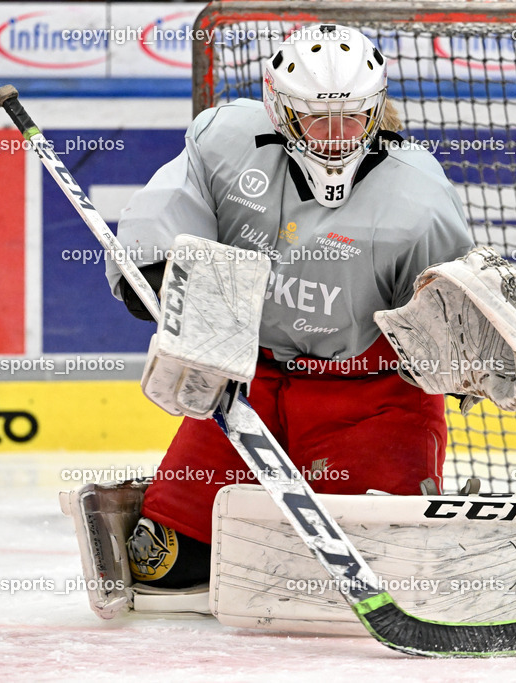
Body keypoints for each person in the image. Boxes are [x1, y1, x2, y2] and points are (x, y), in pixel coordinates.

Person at [105, 24, 475, 589]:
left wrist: (465, 354)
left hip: (370, 397)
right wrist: (151, 269)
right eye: (316, 118)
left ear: (377, 110)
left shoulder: (419, 197)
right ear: (279, 109)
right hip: (246, 391)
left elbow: (447, 318)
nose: (336, 136)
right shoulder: (223, 141)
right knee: (166, 564)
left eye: (353, 116)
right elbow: (169, 211)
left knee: (374, 568)